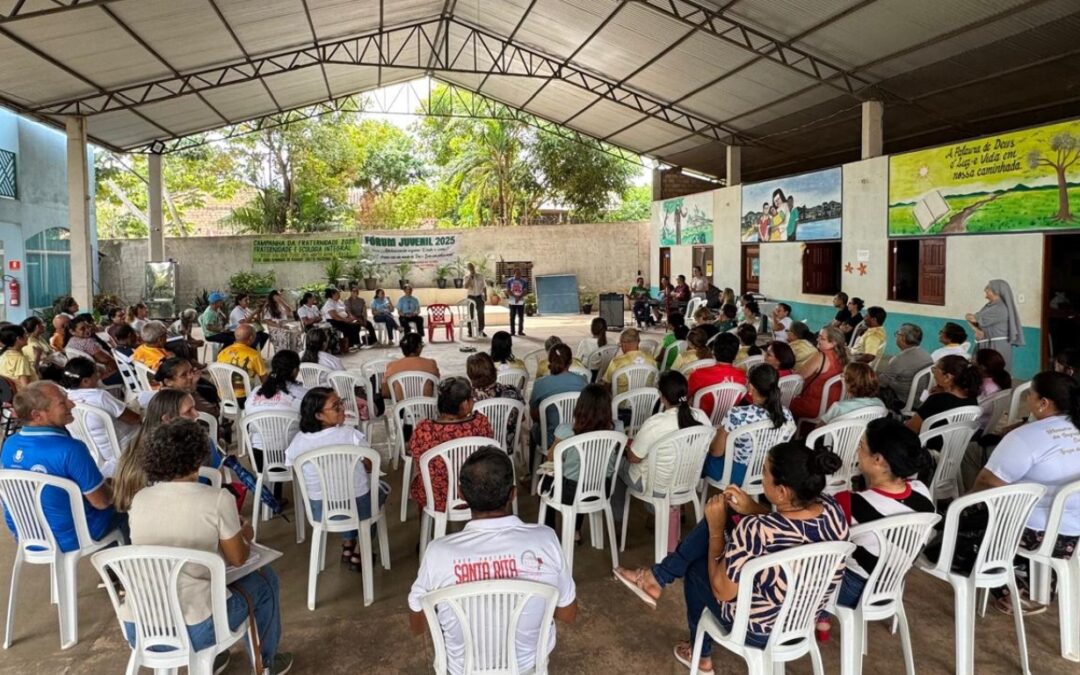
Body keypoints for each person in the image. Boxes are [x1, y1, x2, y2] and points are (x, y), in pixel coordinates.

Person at [614, 441, 848, 671]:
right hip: (802, 619)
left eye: (765, 471)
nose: (761, 475)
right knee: (725, 515)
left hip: (758, 630)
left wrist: (716, 530)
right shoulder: (833, 510)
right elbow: (791, 530)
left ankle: (700, 654)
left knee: (697, 569)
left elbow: (722, 591)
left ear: (781, 491)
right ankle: (657, 578)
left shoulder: (756, 530)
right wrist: (752, 509)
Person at [125, 418, 292, 675]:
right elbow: (238, 559)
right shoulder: (216, 499)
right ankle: (266, 663)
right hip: (195, 628)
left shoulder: (140, 499)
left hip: (139, 626)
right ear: (199, 457)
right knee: (265, 580)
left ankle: (214, 657)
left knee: (200, 581)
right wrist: (245, 533)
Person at [408, 447, 577, 674]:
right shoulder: (545, 540)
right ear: (513, 494)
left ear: (461, 494)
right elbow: (568, 613)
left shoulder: (438, 553)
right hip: (526, 668)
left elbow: (418, 624)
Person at [972, 371, 1080, 615]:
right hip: (1073, 533)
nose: (1028, 398)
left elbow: (987, 482)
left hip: (1036, 533)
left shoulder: (1026, 437)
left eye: (1030, 393)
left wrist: (961, 506)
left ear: (1043, 403)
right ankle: (1040, 579)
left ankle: (1007, 585)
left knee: (968, 519)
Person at [816, 418, 935, 640]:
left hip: (851, 590)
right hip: (891, 586)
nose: (857, 451)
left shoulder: (849, 503)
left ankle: (819, 616)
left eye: (861, 447)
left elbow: (818, 542)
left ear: (878, 460)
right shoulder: (922, 492)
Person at [1, 382, 124, 552]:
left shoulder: (10, 444)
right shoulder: (70, 449)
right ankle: (124, 571)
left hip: (27, 538)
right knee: (127, 503)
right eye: (62, 402)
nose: (72, 404)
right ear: (37, 415)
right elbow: (101, 502)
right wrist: (120, 488)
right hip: (71, 538)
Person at [285, 387, 386, 570]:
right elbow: (371, 465)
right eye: (336, 406)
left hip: (320, 511)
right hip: (358, 508)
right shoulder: (350, 435)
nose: (343, 409)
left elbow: (294, 468)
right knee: (379, 491)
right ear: (319, 416)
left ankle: (348, 544)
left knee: (339, 494)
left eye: (341, 402)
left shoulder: (298, 441)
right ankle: (361, 550)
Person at [615, 371, 709, 521]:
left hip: (656, 487)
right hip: (687, 481)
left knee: (616, 464)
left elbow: (633, 458)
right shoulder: (702, 417)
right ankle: (672, 512)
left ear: (662, 396)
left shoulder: (656, 423)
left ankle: (618, 521)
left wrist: (625, 450)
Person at [113, 388, 225, 513]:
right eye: (188, 411)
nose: (196, 414)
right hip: (191, 511)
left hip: (144, 519)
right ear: (167, 419)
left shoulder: (133, 447)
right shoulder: (200, 444)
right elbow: (219, 480)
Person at [540, 383, 623, 539]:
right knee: (586, 474)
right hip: (602, 489)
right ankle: (576, 531)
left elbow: (550, 457)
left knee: (546, 479)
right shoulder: (617, 429)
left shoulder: (566, 430)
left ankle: (549, 532)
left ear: (580, 407)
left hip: (571, 492)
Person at [408, 377, 494, 513]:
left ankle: (428, 529)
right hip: (476, 494)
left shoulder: (424, 429)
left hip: (436, 498)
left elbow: (416, 456)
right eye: (471, 398)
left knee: (420, 480)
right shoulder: (480, 424)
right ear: (465, 405)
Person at [705, 364, 795, 486]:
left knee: (702, 458)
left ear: (751, 388)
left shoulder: (737, 415)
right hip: (768, 474)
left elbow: (716, 451)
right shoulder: (787, 415)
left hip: (737, 474)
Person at [61, 357, 141, 476]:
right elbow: (134, 419)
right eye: (95, 373)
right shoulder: (100, 397)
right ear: (86, 381)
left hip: (93, 454)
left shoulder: (65, 399)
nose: (98, 376)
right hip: (123, 448)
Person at [529, 344, 588, 459]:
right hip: (577, 435)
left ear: (549, 361)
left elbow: (534, 415)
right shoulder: (582, 381)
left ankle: (533, 471)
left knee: (533, 430)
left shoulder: (540, 384)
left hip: (550, 439)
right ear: (570, 362)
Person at [905, 354, 981, 434]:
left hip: (926, 443)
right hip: (955, 444)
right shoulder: (972, 399)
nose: (933, 374)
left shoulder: (937, 400)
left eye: (935, 369)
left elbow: (911, 429)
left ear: (947, 377)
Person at [790, 326, 848, 422]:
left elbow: (797, 377)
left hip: (816, 405)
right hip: (833, 405)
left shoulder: (821, 356)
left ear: (833, 342)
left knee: (782, 401)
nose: (817, 339)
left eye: (822, 338)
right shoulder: (843, 356)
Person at [966, 279, 1025, 371]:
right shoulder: (990, 305)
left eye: (988, 288)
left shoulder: (1000, 308)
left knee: (994, 372)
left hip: (996, 346)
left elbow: (972, 318)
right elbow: (970, 318)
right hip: (988, 344)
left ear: (996, 291)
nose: (985, 289)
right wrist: (976, 329)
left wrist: (976, 328)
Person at [467, 352, 524, 443]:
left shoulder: (466, 399)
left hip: (479, 450)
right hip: (508, 445)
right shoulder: (512, 391)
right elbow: (522, 418)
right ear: (494, 369)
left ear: (470, 375)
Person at [688, 333, 747, 419]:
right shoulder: (743, 376)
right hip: (727, 421)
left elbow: (686, 398)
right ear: (736, 354)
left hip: (701, 421)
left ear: (713, 351)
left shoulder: (698, 374)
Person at [877, 323, 934, 409]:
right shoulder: (926, 354)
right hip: (919, 399)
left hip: (901, 400)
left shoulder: (900, 359)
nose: (896, 337)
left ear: (903, 338)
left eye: (898, 334)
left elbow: (881, 382)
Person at [216, 324, 268, 405]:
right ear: (251, 338)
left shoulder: (223, 352)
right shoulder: (254, 355)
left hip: (223, 396)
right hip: (243, 398)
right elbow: (264, 380)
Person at [820, 363, 885, 424]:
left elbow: (818, 430)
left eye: (844, 376)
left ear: (850, 384)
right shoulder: (879, 403)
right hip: (865, 435)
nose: (842, 378)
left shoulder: (838, 407)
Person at [67, 313, 122, 386]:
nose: (87, 330)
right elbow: (105, 359)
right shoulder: (87, 342)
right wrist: (122, 365)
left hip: (91, 378)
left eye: (87, 327)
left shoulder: (71, 342)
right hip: (104, 376)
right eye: (82, 329)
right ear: (72, 331)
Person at [382, 333, 440, 400]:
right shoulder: (431, 363)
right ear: (418, 346)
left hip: (402, 408)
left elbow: (385, 393)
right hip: (426, 407)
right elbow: (437, 385)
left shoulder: (391, 366)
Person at [601, 328, 656, 396]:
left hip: (621, 404)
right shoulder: (651, 359)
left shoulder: (616, 362)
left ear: (624, 344)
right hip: (647, 403)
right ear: (638, 341)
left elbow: (606, 385)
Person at [975, 348, 1012, 431]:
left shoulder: (987, 388)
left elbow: (974, 411)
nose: (971, 362)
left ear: (982, 367)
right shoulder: (997, 381)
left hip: (978, 427)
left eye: (973, 360)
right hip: (988, 423)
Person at [463, 262, 488, 337]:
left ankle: (481, 330)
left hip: (479, 297)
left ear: (474, 267)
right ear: (468, 269)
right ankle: (470, 332)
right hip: (470, 297)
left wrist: (485, 295)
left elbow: (484, 286)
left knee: (481, 314)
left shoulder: (480, 276)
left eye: (472, 267)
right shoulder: (466, 277)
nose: (471, 269)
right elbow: (466, 287)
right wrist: (470, 278)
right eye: (469, 268)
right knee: (470, 314)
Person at [505, 267, 528, 336]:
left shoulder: (524, 281)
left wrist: (519, 297)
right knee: (512, 317)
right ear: (514, 273)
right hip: (512, 302)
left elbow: (525, 291)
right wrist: (515, 297)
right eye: (517, 273)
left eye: (520, 273)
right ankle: (512, 332)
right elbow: (508, 290)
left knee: (521, 317)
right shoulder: (509, 281)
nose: (519, 274)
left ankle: (520, 331)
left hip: (521, 302)